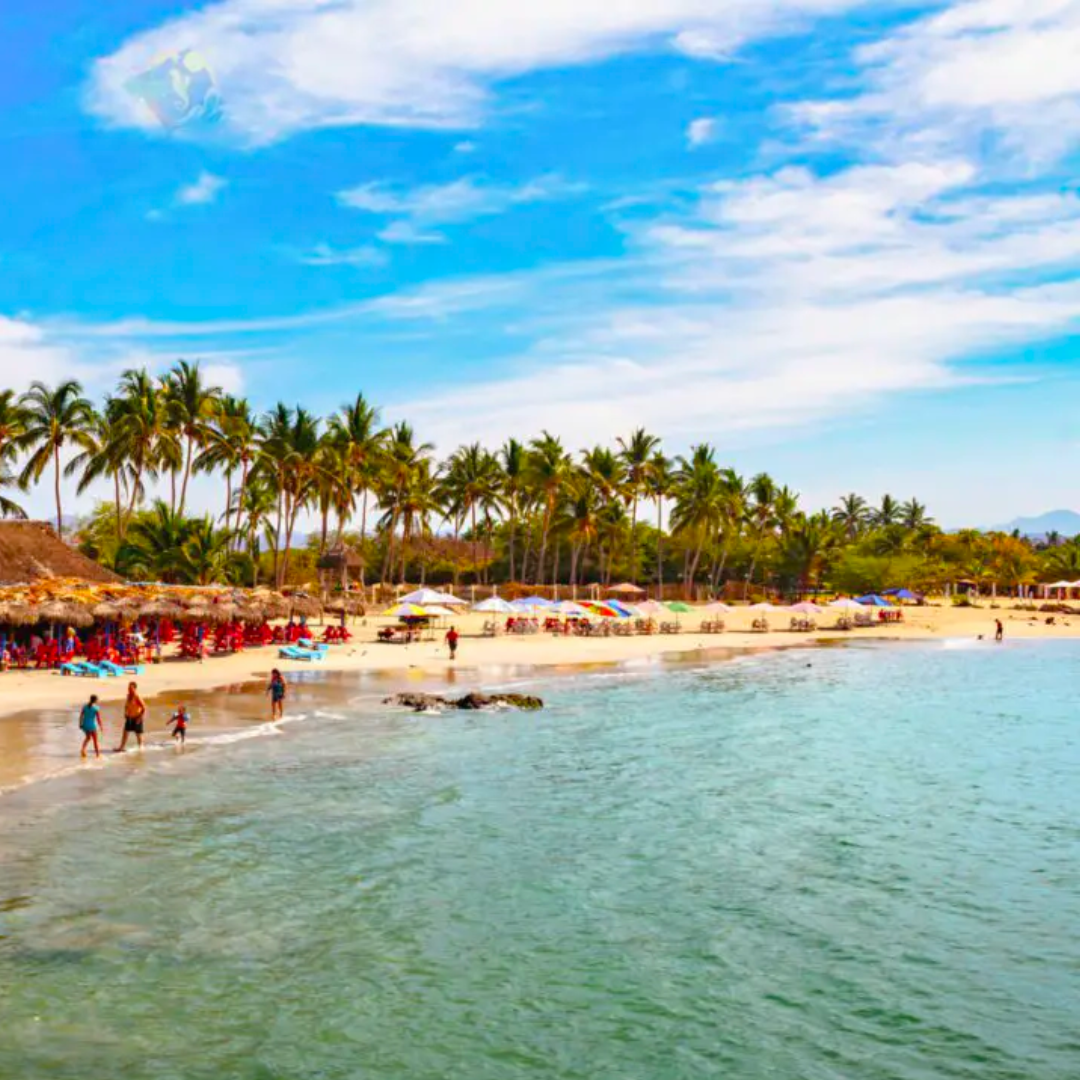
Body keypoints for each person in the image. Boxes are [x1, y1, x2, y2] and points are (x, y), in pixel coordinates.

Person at [115, 681, 147, 752]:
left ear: (135, 688)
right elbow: (126, 706)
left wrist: (140, 718)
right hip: (129, 717)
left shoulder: (137, 697)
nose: (129, 689)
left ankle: (141, 748)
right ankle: (121, 747)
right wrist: (125, 713)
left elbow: (144, 708)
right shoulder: (128, 696)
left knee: (138, 734)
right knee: (125, 732)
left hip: (137, 717)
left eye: (131, 688)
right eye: (128, 688)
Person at [79, 694, 103, 759]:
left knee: (88, 738)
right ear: (95, 700)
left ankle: (83, 749)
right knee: (95, 741)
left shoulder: (85, 706)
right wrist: (101, 726)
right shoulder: (96, 708)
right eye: (97, 700)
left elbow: (81, 716)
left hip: (85, 725)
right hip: (92, 726)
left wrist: (80, 724)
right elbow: (98, 719)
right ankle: (98, 755)